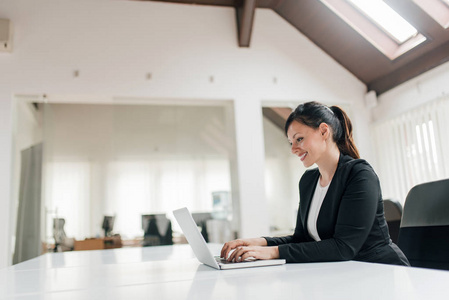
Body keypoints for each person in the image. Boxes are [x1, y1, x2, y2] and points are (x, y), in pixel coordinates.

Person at [221, 101, 409, 266]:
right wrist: (258, 243)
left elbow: (344, 247)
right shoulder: (308, 181)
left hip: (381, 270)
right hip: (346, 274)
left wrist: (272, 252)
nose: (294, 149)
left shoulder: (359, 174)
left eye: (299, 139)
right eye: (291, 143)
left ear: (324, 131)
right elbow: (301, 239)